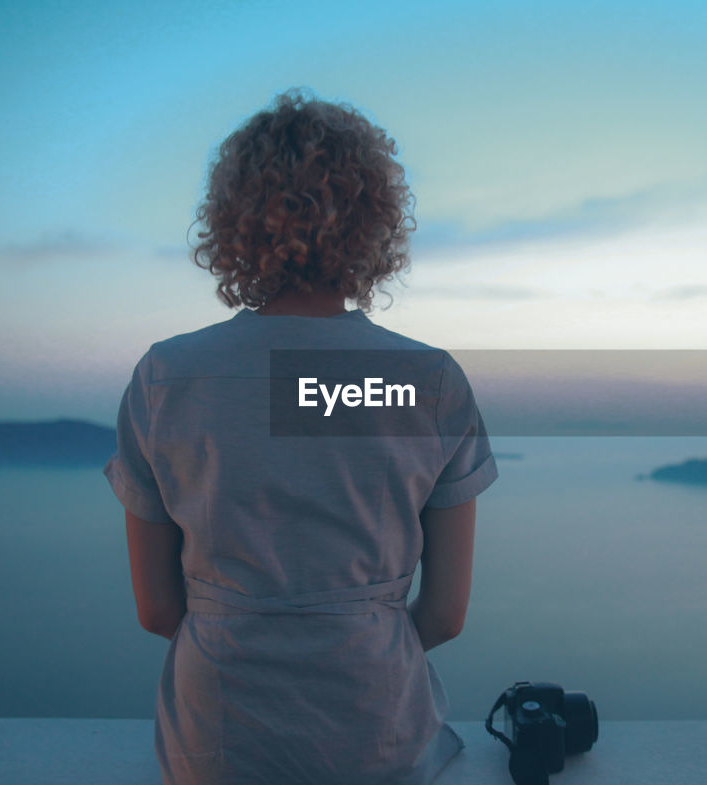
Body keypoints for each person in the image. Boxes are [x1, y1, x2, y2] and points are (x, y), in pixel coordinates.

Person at [102, 88, 498, 785]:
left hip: (218, 732)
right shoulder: (427, 381)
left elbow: (157, 608)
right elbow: (445, 614)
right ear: (373, 221)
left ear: (233, 223)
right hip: (375, 723)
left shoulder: (167, 376)